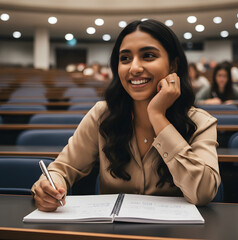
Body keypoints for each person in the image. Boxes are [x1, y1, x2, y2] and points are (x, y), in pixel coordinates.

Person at [32, 19, 220, 212]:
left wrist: (157, 116)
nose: (134, 68)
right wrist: (48, 186)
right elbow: (62, 168)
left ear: (173, 65)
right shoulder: (102, 115)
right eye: (125, 59)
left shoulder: (200, 122)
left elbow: (203, 192)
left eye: (148, 56)